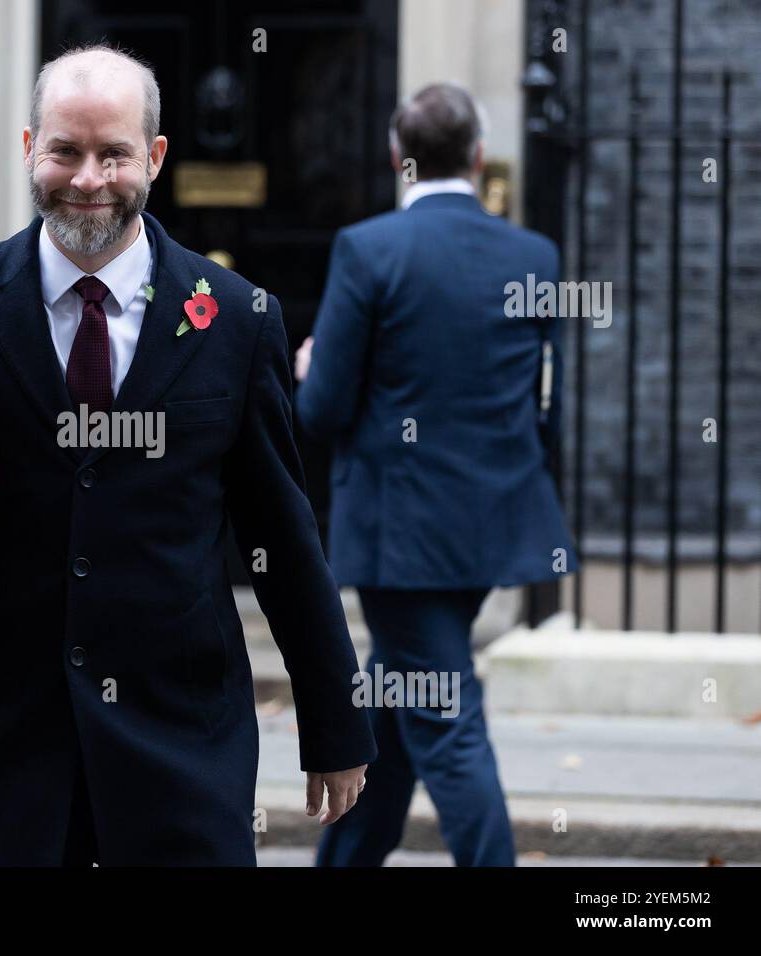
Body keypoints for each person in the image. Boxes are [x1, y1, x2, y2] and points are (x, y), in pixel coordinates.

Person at [0, 44, 374, 866]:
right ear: (29, 149)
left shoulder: (236, 320)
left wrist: (333, 719)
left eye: (113, 153)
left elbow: (280, 531)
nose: (88, 178)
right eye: (64, 151)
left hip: (179, 755)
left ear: (154, 159)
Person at [294, 82, 575, 867]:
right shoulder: (534, 255)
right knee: (397, 698)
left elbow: (323, 410)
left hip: (400, 540)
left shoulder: (369, 249)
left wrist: (308, 367)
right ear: (479, 157)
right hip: (492, 527)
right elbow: (546, 405)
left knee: (444, 721)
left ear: (398, 158)